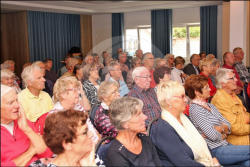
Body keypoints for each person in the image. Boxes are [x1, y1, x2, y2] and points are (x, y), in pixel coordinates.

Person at [185, 74, 250, 166]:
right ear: (197, 92)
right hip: (215, 150)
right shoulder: (195, 109)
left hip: (225, 145)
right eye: (206, 88)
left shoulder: (210, 106)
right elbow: (213, 136)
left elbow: (229, 125)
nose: (210, 89)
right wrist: (223, 130)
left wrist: (220, 129)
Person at [151, 81, 219, 167]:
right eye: (182, 96)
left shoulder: (184, 118)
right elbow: (182, 162)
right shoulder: (162, 129)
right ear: (168, 101)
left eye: (185, 96)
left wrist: (213, 158)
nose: (186, 99)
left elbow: (202, 143)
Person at [1, 85, 52, 166]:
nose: (17, 106)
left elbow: (47, 153)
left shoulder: (23, 122)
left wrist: (27, 129)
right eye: (11, 103)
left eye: (17, 100)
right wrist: (31, 151)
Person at [106, 97, 162, 166]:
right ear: (125, 124)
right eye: (138, 114)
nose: (145, 117)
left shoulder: (144, 139)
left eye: (142, 113)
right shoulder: (116, 154)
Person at [29, 110, 98, 167]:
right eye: (84, 132)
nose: (90, 135)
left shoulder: (91, 156)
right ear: (67, 144)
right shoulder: (39, 165)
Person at [211, 68, 250, 145]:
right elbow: (233, 127)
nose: (236, 80)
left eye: (235, 77)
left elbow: (244, 115)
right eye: (232, 78)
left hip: (245, 137)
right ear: (223, 83)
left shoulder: (232, 95)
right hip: (234, 143)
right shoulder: (220, 100)